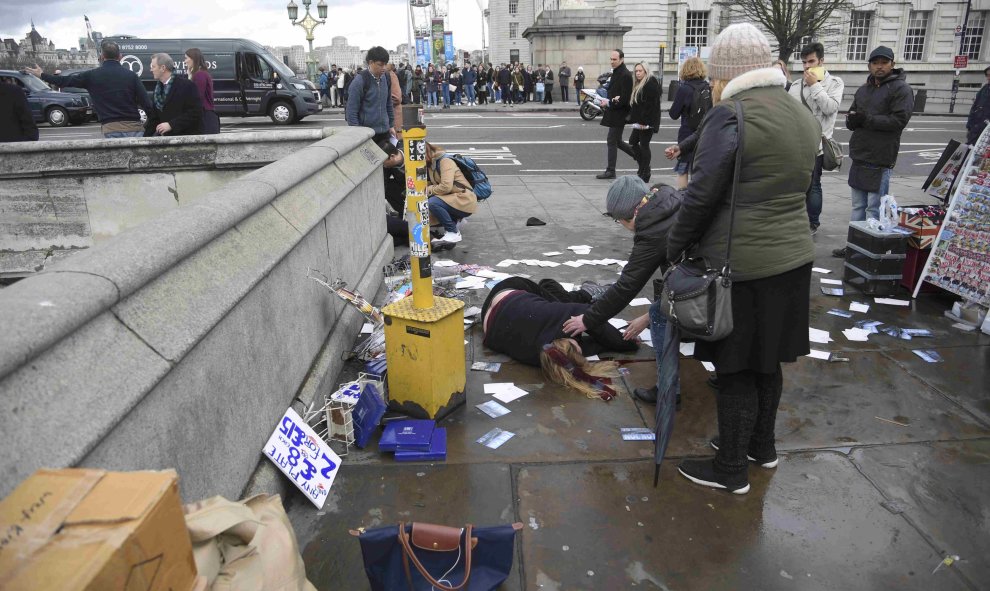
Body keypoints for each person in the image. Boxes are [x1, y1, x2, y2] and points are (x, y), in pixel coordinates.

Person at [666, 23, 820, 494]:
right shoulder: (797, 111)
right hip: (793, 258)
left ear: (726, 74)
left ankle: (731, 469)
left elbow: (701, 194)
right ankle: (762, 448)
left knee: (734, 367)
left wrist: (674, 247)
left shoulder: (730, 115)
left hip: (742, 265)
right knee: (767, 360)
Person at [562, 175, 681, 407]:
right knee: (657, 311)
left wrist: (588, 319)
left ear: (630, 215)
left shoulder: (653, 230)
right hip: (719, 272)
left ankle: (668, 391)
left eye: (619, 221)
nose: (623, 227)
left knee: (660, 317)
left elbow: (627, 286)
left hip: (708, 282)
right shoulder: (667, 198)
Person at [482, 277, 637, 395]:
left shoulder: (559, 316)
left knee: (548, 284)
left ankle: (586, 292)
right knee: (560, 299)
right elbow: (589, 347)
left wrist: (625, 343)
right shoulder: (542, 356)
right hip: (489, 320)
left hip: (509, 290)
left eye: (577, 343)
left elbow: (593, 318)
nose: (580, 341)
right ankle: (587, 292)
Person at [832, 45, 914, 258]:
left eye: (884, 63)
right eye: (875, 63)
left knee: (873, 208)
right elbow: (853, 115)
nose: (879, 67)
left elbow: (899, 121)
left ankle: (867, 249)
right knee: (858, 206)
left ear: (892, 65)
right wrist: (852, 120)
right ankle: (854, 246)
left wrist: (866, 119)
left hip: (881, 157)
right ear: (869, 65)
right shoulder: (863, 89)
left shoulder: (901, 89)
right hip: (860, 155)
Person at [26, 41, 152, 138]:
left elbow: (64, 81)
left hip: (111, 129)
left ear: (101, 57)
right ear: (120, 56)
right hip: (135, 128)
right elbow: (147, 104)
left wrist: (42, 75)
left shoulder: (92, 76)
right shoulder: (131, 76)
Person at [788, 42, 843, 235]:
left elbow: (830, 108)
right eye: (804, 62)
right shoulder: (795, 86)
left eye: (811, 61)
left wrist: (814, 86)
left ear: (821, 61)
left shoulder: (835, 83)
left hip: (818, 144)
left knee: (813, 184)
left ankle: (813, 222)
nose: (807, 66)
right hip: (797, 144)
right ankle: (795, 219)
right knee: (794, 185)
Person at [667, 57, 710, 189]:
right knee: (700, 168)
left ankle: (683, 197)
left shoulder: (684, 89)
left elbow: (673, 114)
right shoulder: (708, 87)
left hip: (687, 133)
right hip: (705, 132)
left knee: (683, 169)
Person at [425, 142, 477, 244]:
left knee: (432, 203)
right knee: (428, 202)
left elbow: (446, 186)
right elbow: (434, 182)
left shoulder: (445, 161)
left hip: (464, 198)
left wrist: (428, 189)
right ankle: (455, 223)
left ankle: (453, 232)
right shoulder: (431, 163)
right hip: (453, 198)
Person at [144, 53, 203, 137]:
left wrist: (172, 125)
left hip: (186, 140)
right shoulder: (157, 90)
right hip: (167, 141)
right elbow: (154, 119)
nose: (151, 70)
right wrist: (143, 140)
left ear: (163, 68)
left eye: (153, 66)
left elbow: (196, 112)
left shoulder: (186, 85)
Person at [345, 47, 395, 144]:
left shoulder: (386, 77)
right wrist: (357, 134)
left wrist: (391, 125)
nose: (384, 68)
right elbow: (351, 111)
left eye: (385, 64)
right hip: (366, 134)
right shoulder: (360, 81)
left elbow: (388, 103)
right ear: (370, 62)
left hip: (385, 132)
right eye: (380, 65)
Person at [597, 49, 634, 179]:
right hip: (614, 111)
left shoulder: (625, 75)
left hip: (620, 113)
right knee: (616, 141)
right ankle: (638, 154)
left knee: (611, 140)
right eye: (611, 59)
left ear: (622, 59)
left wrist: (610, 103)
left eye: (614, 59)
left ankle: (611, 170)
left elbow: (624, 98)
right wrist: (607, 101)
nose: (612, 62)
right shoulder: (617, 72)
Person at [625, 62, 661, 183]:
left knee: (644, 145)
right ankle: (643, 168)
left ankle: (645, 171)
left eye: (640, 71)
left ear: (646, 71)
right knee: (633, 142)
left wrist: (644, 122)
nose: (638, 73)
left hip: (647, 122)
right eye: (636, 71)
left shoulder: (650, 84)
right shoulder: (640, 83)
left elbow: (651, 106)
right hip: (641, 120)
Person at [185, 48, 220, 135]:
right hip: (204, 115)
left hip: (205, 117)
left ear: (193, 59)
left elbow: (196, 97)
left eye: (186, 58)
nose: (185, 61)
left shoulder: (200, 75)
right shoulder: (201, 73)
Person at [966, 66, 990, 145]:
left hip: (987, 130)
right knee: (969, 150)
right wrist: (969, 125)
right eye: (987, 75)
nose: (988, 77)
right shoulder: (985, 88)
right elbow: (975, 106)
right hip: (976, 127)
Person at [387, 64, 403, 137]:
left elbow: (396, 98)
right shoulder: (388, 75)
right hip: (392, 115)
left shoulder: (390, 75)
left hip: (394, 114)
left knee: (396, 142)